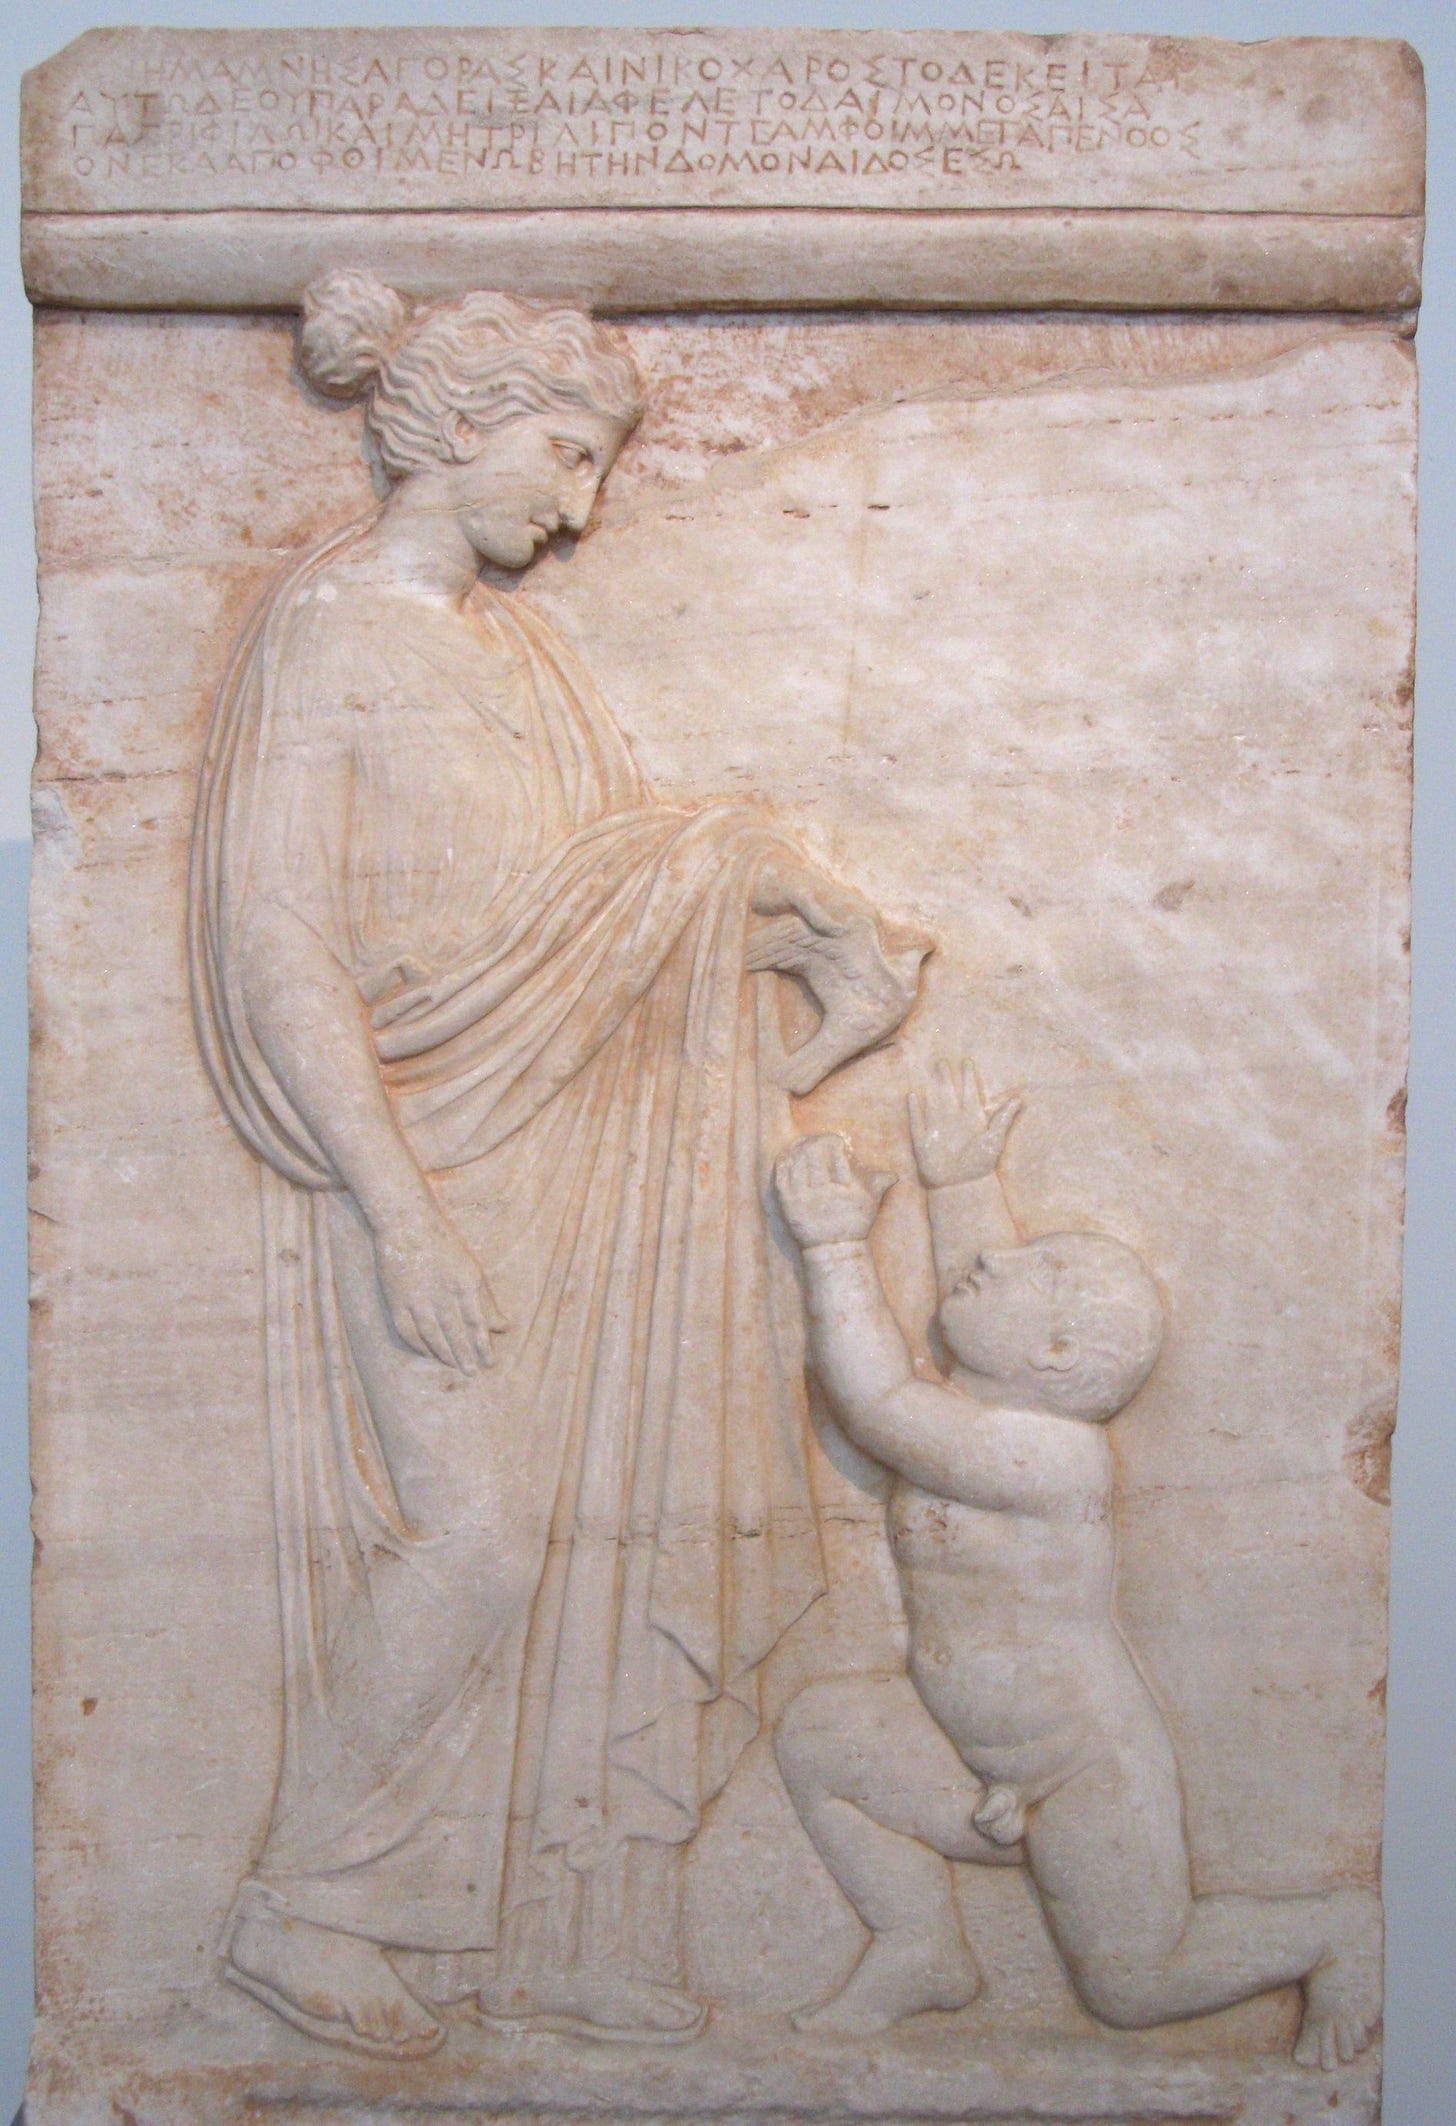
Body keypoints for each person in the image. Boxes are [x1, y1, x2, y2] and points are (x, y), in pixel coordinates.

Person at [188, 269, 923, 2057]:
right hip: (427, 1142)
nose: (581, 505)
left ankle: (566, 1929)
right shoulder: (330, 633)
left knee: (617, 1524)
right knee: (479, 1545)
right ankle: (299, 1905)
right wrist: (396, 1203)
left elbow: (594, 917)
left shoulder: (521, 651)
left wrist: (794, 913)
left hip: (585, 1143)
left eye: (598, 468)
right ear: (452, 431)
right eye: (566, 454)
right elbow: (287, 940)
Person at [769, 1063, 1381, 2069]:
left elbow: (875, 1401)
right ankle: (919, 1942)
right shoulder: (1005, 1389)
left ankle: (1331, 1929)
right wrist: (960, 1178)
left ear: (1052, 1357)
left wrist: (834, 1245)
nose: (995, 1263)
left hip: (1077, 1768)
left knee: (1129, 1985)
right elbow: (979, 1290)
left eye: (1035, 1268)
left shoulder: (1043, 1456)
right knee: (821, 1734)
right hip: (966, 1747)